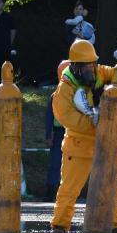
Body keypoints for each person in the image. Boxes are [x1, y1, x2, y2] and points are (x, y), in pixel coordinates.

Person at [50, 40, 117, 233]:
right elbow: (65, 116)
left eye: (93, 64)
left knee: (112, 187)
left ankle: (112, 225)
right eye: (87, 65)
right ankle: (60, 225)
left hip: (102, 142)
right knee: (69, 188)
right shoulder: (65, 88)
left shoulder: (99, 72)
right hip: (78, 144)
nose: (92, 68)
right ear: (76, 66)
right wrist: (94, 122)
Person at [43, 61, 69, 202]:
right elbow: (49, 116)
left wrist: (48, 134)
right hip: (60, 132)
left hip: (68, 132)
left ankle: (59, 192)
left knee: (60, 163)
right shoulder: (56, 95)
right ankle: (51, 192)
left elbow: (48, 117)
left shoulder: (58, 94)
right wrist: (48, 135)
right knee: (56, 162)